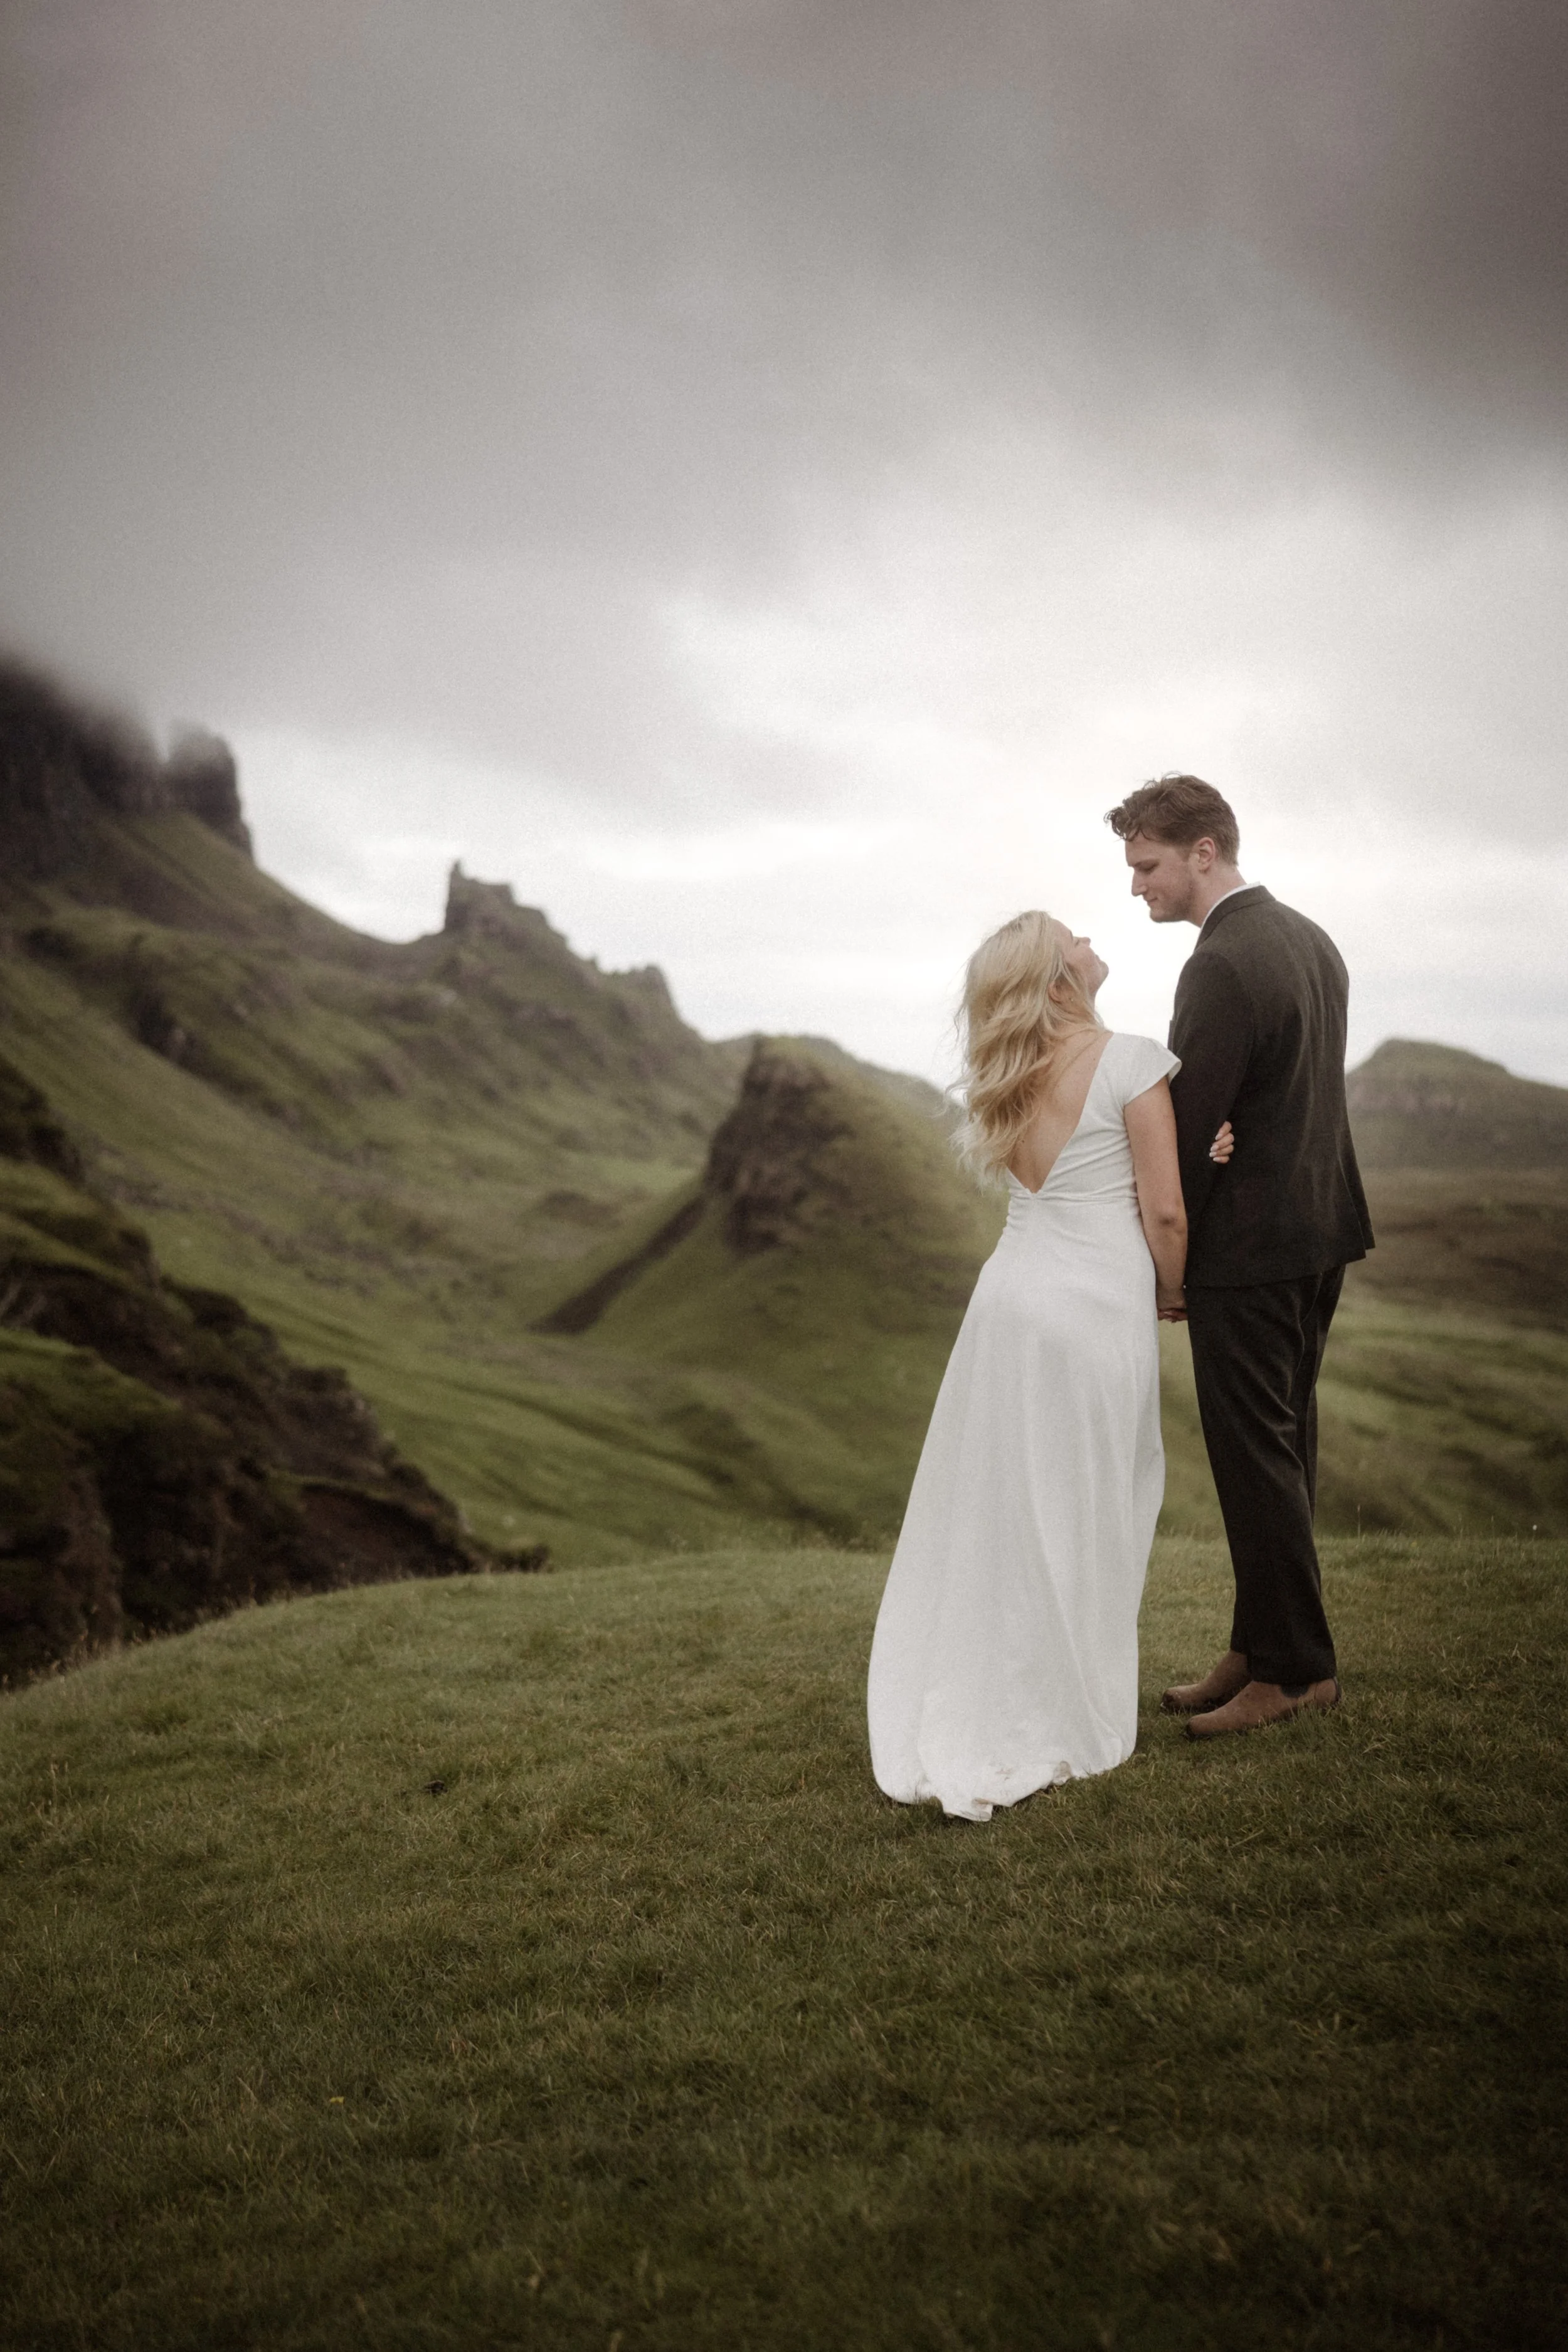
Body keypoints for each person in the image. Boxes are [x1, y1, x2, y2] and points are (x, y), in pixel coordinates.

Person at [867, 909, 1229, 1821]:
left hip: (1008, 1306)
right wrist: (1175, 1292)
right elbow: (1168, 1214)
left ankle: (992, 1687)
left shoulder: (1012, 1073)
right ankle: (1063, 1706)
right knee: (1090, 1503)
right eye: (1074, 934)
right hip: (1093, 1308)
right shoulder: (1131, 1058)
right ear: (1058, 978)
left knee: (1006, 1510)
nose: (1090, 935)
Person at [1107, 774, 1374, 1739]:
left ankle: (1297, 1670)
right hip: (1321, 1232)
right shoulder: (1310, 938)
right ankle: (1259, 1645)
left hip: (1251, 1254)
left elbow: (1186, 1134)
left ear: (1203, 851)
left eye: (1148, 865)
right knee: (1286, 1444)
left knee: (1255, 1457)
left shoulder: (1217, 965)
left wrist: (1165, 1267)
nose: (1137, 885)